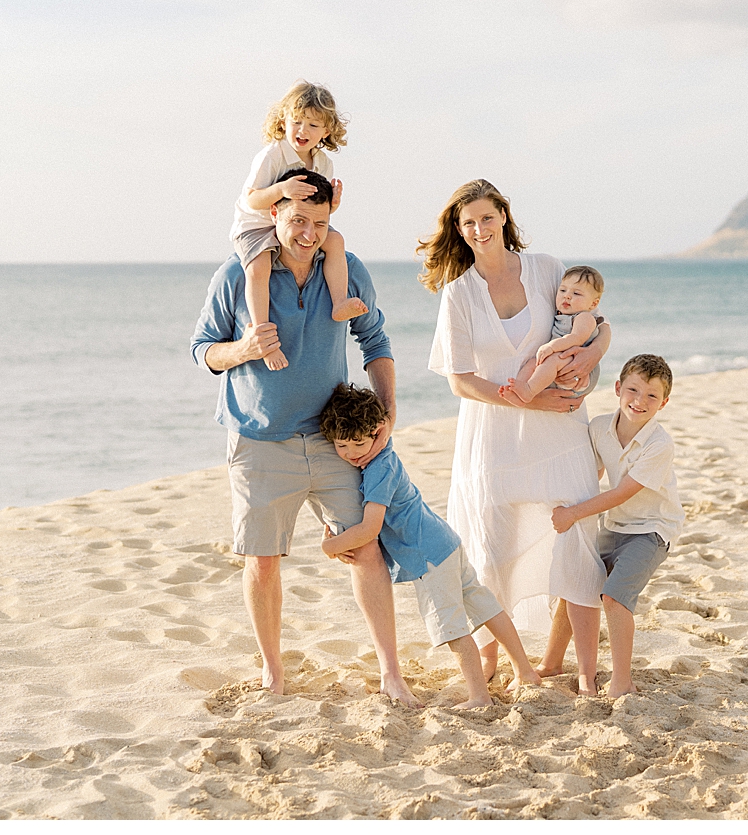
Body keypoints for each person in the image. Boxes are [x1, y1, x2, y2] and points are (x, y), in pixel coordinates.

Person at [191, 174, 415, 704]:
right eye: (297, 220)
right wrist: (243, 348)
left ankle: (391, 672)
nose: (308, 233)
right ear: (274, 215)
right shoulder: (235, 276)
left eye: (319, 223)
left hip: (336, 439)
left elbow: (374, 339)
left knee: (364, 548)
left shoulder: (347, 271)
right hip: (259, 441)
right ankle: (273, 671)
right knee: (263, 561)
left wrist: (386, 411)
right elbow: (203, 349)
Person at [420, 179, 612, 689]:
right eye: (468, 224)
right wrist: (524, 397)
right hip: (493, 435)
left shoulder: (547, 269)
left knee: (575, 544)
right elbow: (460, 380)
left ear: (503, 216)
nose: (479, 230)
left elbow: (594, 322)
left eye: (487, 218)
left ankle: (584, 673)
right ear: (459, 232)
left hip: (560, 433)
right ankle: (489, 660)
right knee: (490, 548)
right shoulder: (458, 294)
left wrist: (591, 360)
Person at [317, 383, 544, 708]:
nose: (352, 453)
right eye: (341, 445)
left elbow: (370, 528)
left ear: (377, 432)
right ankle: (526, 671)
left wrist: (330, 546)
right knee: (485, 606)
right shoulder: (383, 452)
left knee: (451, 626)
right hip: (445, 542)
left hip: (429, 558)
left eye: (358, 442)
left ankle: (480, 697)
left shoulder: (378, 468)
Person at [550, 355, 683, 698]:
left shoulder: (658, 444)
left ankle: (622, 681)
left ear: (664, 403)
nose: (640, 401)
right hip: (615, 526)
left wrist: (574, 514)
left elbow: (622, 492)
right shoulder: (598, 428)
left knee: (613, 597)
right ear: (618, 388)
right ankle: (552, 662)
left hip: (651, 529)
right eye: (634, 390)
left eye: (652, 396)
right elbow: (590, 475)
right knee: (577, 585)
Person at [228, 80, 367, 371]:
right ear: (283, 121)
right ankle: (263, 337)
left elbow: (317, 209)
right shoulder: (272, 155)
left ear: (326, 132)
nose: (303, 131)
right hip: (256, 224)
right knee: (258, 268)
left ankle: (339, 301)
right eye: (297, 121)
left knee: (336, 241)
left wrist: (333, 205)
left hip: (296, 226)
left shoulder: (323, 163)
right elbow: (253, 199)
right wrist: (283, 189)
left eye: (313, 125)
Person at [498, 265, 606, 405]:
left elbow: (576, 338)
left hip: (581, 372)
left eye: (577, 294)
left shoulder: (585, 317)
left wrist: (551, 347)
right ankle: (520, 389)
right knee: (533, 363)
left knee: (552, 360)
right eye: (562, 290)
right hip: (563, 363)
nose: (567, 295)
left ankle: (529, 391)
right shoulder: (561, 315)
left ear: (593, 304)